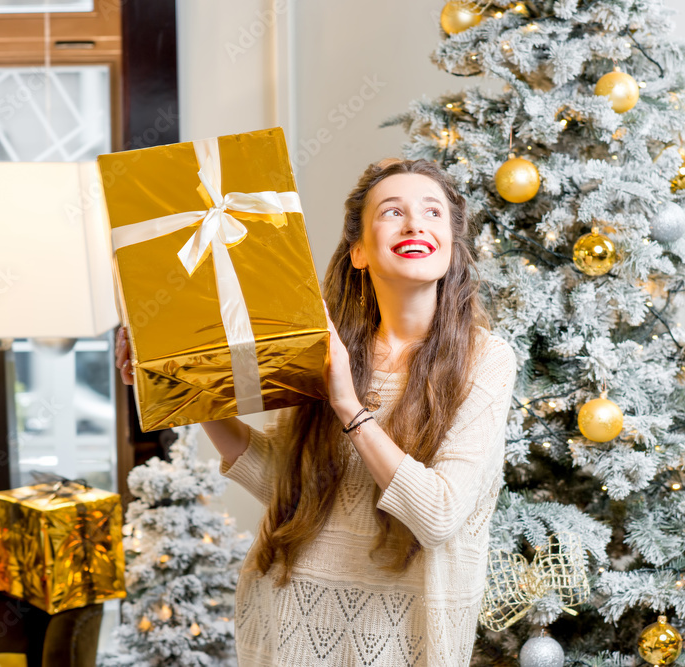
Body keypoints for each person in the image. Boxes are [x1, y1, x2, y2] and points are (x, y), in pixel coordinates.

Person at [115, 158, 516, 666]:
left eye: (433, 213)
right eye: (393, 212)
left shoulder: (486, 362)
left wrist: (347, 403)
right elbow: (284, 485)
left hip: (402, 640)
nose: (415, 224)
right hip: (287, 622)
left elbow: (437, 516)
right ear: (359, 252)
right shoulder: (324, 345)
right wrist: (182, 383)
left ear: (453, 247)